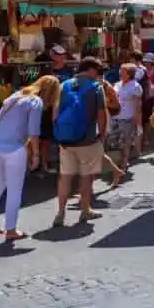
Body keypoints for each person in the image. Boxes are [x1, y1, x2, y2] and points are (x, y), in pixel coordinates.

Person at [0, 75, 60, 240]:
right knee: (15, 189)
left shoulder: (16, 95)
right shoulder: (36, 102)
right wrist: (36, 154)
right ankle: (11, 229)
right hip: (15, 147)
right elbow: (33, 131)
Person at [53, 58, 109, 227]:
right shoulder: (96, 88)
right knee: (87, 177)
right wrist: (103, 134)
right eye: (97, 72)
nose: (98, 76)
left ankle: (61, 213)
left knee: (65, 177)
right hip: (87, 139)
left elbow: (55, 112)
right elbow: (101, 114)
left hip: (66, 140)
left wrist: (59, 133)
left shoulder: (64, 86)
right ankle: (85, 210)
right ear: (91, 70)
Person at [113, 63, 144, 177]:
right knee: (117, 142)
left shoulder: (135, 86)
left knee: (126, 141)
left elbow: (138, 103)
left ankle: (124, 163)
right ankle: (120, 161)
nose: (120, 73)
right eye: (120, 70)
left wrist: (136, 116)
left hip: (127, 117)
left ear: (129, 74)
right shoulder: (117, 84)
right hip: (115, 117)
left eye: (123, 71)